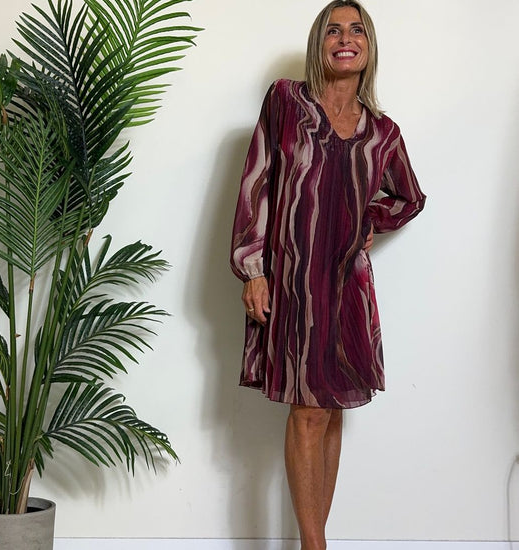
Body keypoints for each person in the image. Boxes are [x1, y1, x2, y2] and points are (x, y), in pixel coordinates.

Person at [230, 1, 426, 548]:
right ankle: (315, 546)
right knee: (308, 413)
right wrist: (252, 268)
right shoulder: (286, 102)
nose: (345, 38)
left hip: (346, 287)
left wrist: (370, 219)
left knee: (331, 413)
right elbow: (255, 184)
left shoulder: (382, 133)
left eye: (356, 30)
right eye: (333, 30)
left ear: (369, 47)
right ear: (319, 44)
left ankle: (311, 541)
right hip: (293, 282)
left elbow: (410, 197)